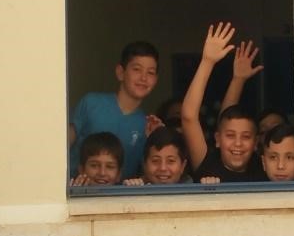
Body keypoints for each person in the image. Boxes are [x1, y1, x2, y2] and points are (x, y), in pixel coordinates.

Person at [181, 22, 267, 182]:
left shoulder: (263, 167)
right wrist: (207, 61)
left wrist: (238, 79)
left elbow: (226, 120)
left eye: (246, 136)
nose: (238, 143)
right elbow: (188, 117)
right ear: (218, 139)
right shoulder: (207, 164)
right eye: (230, 136)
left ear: (256, 143)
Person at [69, 41, 161, 180]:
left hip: (119, 198)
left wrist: (157, 138)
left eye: (150, 72)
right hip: (75, 194)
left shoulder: (147, 125)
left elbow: (148, 175)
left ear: (156, 79)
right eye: (136, 69)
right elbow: (61, 144)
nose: (143, 78)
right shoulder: (91, 103)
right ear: (120, 72)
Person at [122, 126, 192, 185]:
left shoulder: (194, 194)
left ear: (183, 166)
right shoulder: (136, 187)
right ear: (144, 164)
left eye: (171, 161)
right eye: (155, 161)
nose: (163, 168)